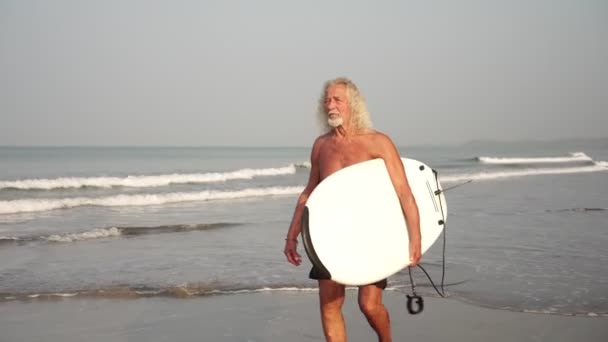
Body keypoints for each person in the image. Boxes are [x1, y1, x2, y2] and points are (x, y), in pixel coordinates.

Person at [283, 77, 422, 342]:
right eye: (327, 100)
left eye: (337, 100)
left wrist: (415, 237)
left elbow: (404, 191)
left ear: (353, 105)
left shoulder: (377, 142)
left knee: (369, 305)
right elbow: (309, 192)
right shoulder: (322, 146)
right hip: (332, 235)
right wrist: (292, 236)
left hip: (371, 233)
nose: (330, 105)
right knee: (330, 306)